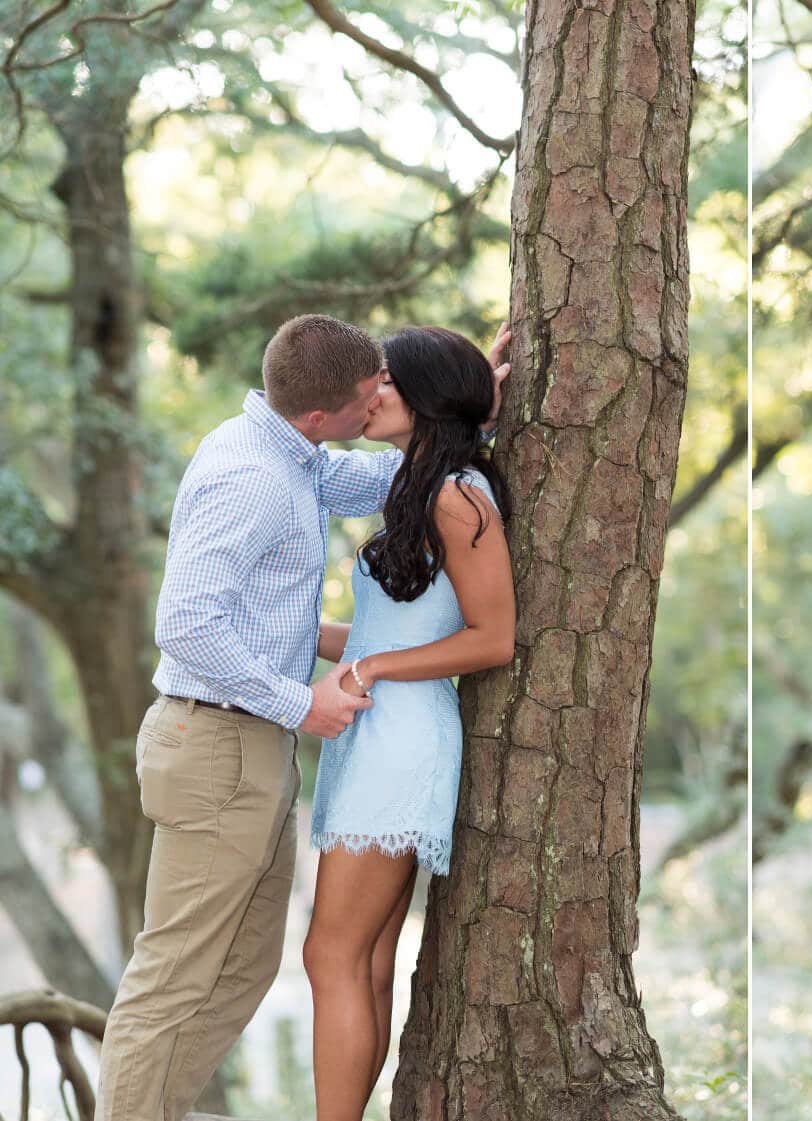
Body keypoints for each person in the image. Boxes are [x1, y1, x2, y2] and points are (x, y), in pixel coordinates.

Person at [96, 314, 507, 1121]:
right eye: (370, 391)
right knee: (182, 973)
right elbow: (184, 624)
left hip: (269, 746)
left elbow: (401, 480)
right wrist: (303, 700)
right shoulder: (253, 475)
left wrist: (471, 401)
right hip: (217, 739)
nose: (378, 398)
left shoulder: (300, 458)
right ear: (321, 416)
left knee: (244, 972)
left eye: (391, 383)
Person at [302, 325, 516, 1120]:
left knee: (331, 953)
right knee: (367, 959)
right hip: (374, 735)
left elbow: (493, 638)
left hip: (403, 741)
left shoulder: (459, 496)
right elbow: (380, 635)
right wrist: (292, 638)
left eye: (388, 377)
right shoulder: (424, 483)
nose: (372, 390)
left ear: (425, 396)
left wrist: (369, 669)